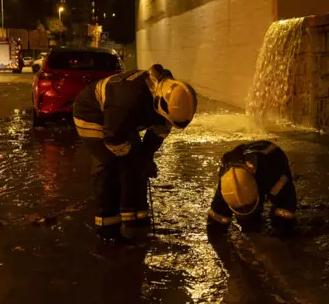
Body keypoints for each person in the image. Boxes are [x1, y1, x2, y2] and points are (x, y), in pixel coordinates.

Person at [72, 64, 197, 241]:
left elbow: (157, 134)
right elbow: (113, 138)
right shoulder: (127, 100)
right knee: (110, 166)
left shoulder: (171, 98)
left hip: (123, 120)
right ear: (158, 104)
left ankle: (135, 218)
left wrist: (146, 158)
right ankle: (107, 228)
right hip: (92, 114)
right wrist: (134, 160)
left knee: (136, 165)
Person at [206, 140, 297, 239]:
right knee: (248, 224)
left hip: (272, 155)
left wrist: (281, 235)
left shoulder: (273, 175)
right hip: (244, 153)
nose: (244, 209)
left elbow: (287, 205)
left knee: (282, 223)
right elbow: (216, 220)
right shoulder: (226, 185)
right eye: (240, 209)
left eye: (248, 206)